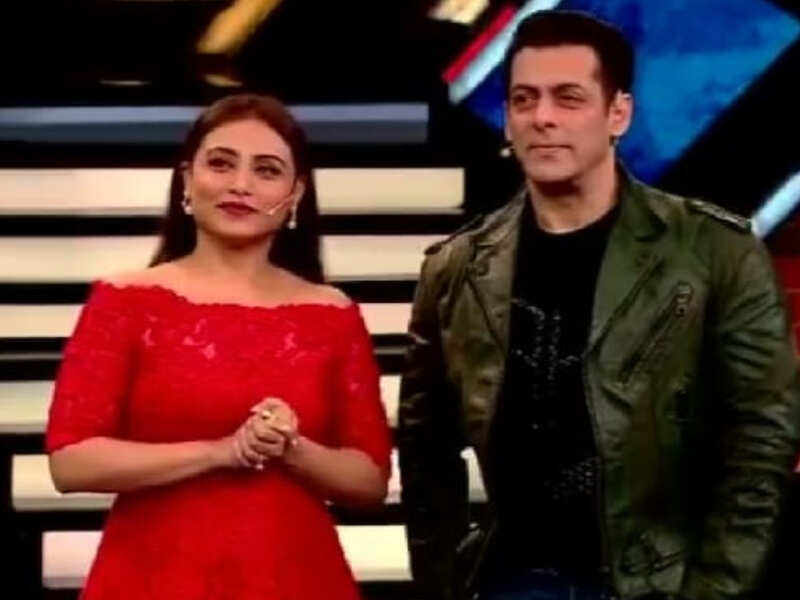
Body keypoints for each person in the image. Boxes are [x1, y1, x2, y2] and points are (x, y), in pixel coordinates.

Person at [398, 10, 800, 600]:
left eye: (568, 98)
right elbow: (426, 450)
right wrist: (444, 585)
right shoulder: (454, 269)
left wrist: (714, 589)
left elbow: (761, 440)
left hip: (661, 581)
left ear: (619, 114)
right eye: (524, 99)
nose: (543, 118)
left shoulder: (716, 253)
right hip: (512, 580)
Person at [47, 93, 392, 600]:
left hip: (295, 578)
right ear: (187, 179)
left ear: (296, 194)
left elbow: (369, 481)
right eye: (221, 163)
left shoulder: (332, 314)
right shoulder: (125, 301)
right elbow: (71, 461)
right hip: (153, 577)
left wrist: (291, 448)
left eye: (266, 170)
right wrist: (221, 451)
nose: (240, 185)